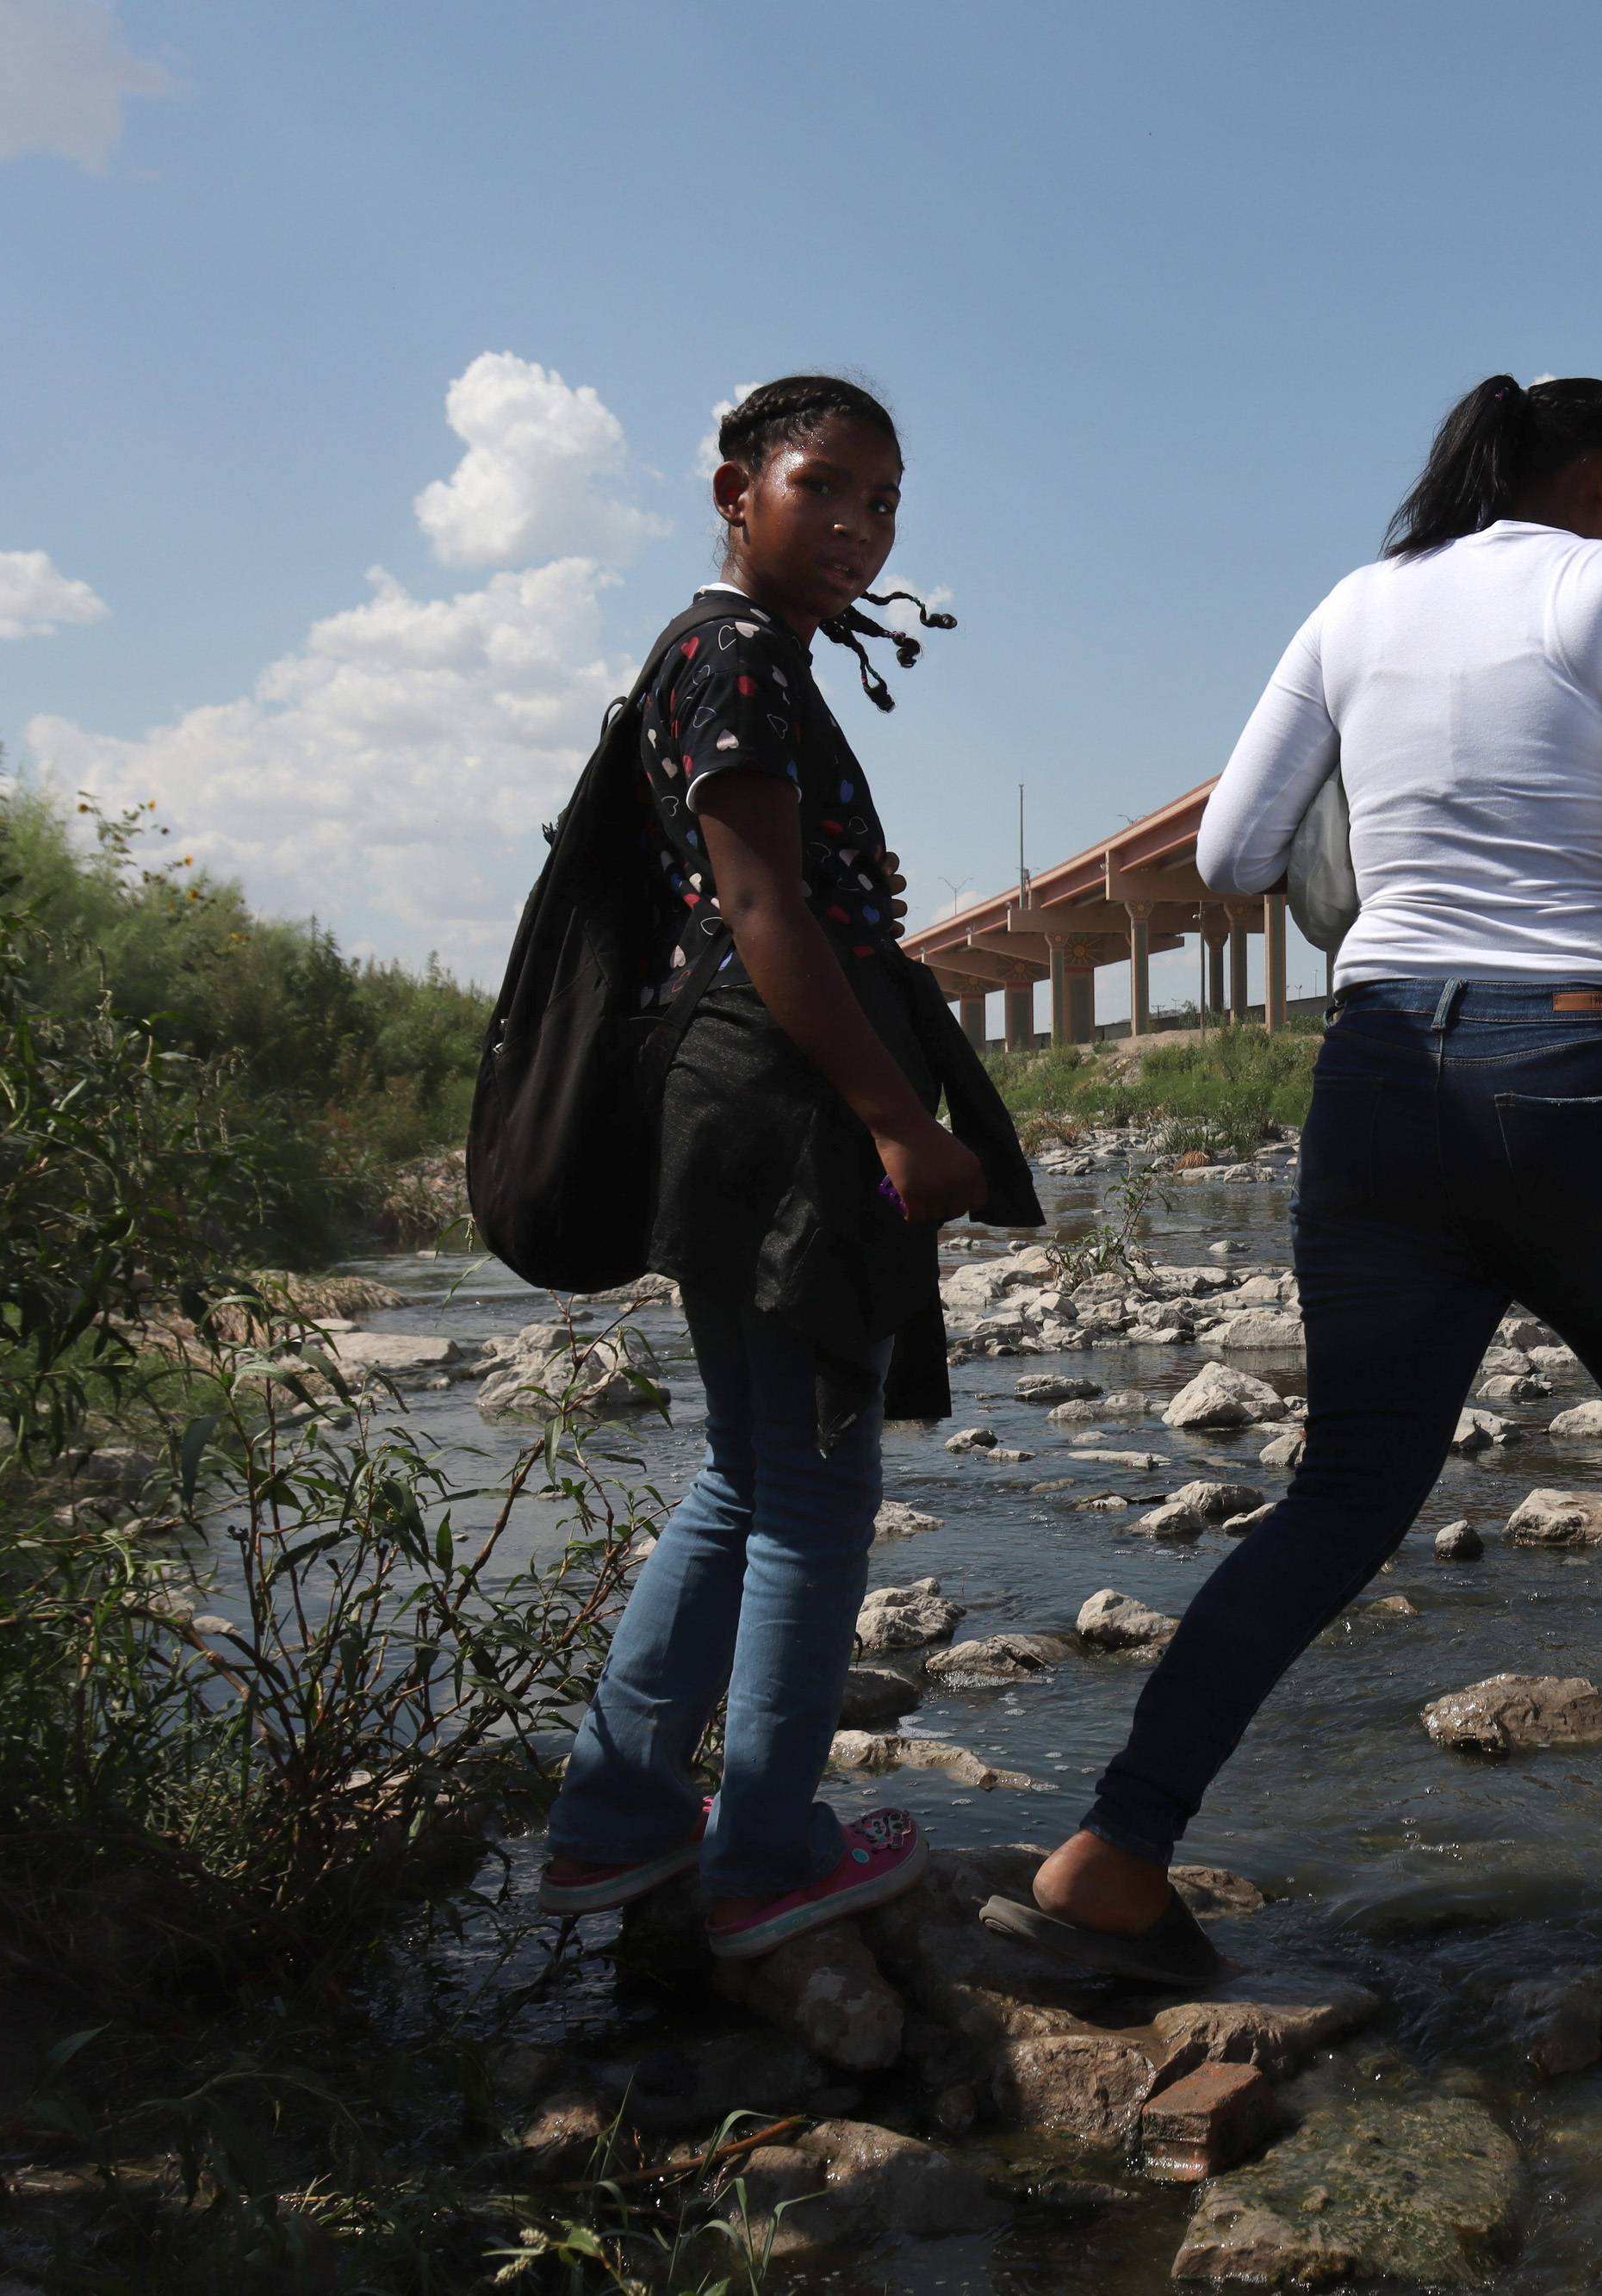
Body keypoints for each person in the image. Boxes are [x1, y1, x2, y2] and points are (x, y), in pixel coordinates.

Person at [985, 376, 1602, 1987]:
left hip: (1379, 1081)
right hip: (1583, 1070)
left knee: (1347, 1493)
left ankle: (1113, 1856)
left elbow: (1226, 859)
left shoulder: (1355, 603)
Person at [537, 375, 1040, 1959]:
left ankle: (616, 1825)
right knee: (818, 1498)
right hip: (786, 1119)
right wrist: (902, 1122)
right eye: (823, 487)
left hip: (731, 1109)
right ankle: (764, 1860)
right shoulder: (736, 655)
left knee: (748, 1474)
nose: (857, 527)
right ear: (733, 489)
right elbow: (767, 919)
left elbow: (770, 893)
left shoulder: (725, 662)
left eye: (883, 502)